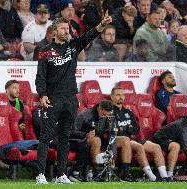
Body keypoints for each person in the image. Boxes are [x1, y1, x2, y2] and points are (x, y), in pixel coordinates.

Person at [35, 13, 112, 184]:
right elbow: (40, 76)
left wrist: (102, 24)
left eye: (67, 28)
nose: (66, 31)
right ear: (54, 32)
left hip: (70, 99)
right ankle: (40, 174)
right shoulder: (45, 51)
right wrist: (42, 95)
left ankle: (61, 174)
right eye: (62, 28)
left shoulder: (73, 46)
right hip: (52, 99)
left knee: (65, 137)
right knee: (46, 137)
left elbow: (89, 35)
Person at [111, 86, 171, 181]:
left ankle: (165, 177)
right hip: (118, 140)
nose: (121, 97)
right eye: (118, 95)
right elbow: (113, 130)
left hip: (131, 138)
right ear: (112, 97)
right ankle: (153, 178)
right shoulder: (110, 111)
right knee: (138, 146)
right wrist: (127, 128)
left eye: (122, 95)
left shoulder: (128, 112)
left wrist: (125, 128)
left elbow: (136, 129)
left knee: (156, 147)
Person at [73, 100, 134, 182]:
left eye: (108, 114)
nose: (105, 116)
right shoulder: (85, 115)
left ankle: (125, 174)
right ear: (99, 108)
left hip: (104, 140)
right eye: (104, 114)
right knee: (97, 140)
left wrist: (112, 153)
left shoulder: (110, 116)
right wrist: (85, 134)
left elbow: (113, 135)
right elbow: (73, 131)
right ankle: (97, 173)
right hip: (86, 141)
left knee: (125, 140)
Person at [153, 111, 187, 177]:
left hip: (173, 140)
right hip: (159, 139)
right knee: (176, 146)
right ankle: (169, 175)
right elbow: (186, 148)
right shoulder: (185, 127)